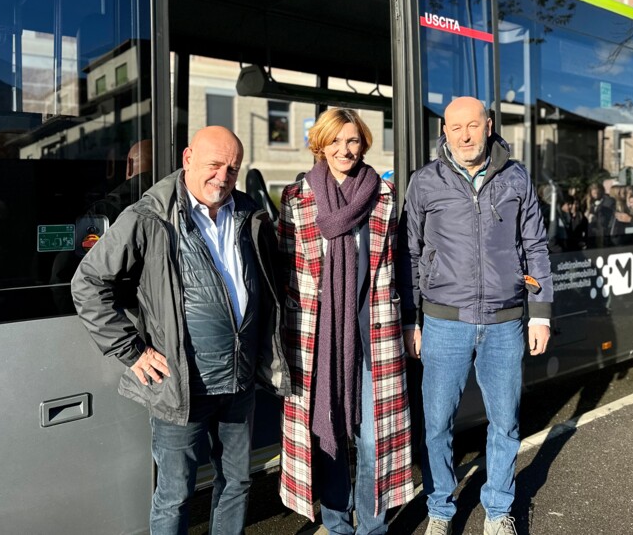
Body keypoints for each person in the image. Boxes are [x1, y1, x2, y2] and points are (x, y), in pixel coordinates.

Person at [71, 126, 289, 535]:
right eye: (214, 165)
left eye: (233, 168)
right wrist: (131, 351)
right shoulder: (148, 217)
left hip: (239, 382)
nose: (223, 177)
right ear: (187, 159)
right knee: (176, 493)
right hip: (181, 385)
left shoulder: (248, 214)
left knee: (238, 483)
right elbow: (87, 284)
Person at [400, 97, 553, 535]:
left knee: (505, 422)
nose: (465, 135)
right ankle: (441, 510)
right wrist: (412, 318)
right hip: (444, 321)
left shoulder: (516, 177)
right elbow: (408, 254)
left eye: (473, 125)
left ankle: (499, 508)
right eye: (455, 128)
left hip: (505, 322)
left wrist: (540, 314)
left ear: (489, 125)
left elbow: (536, 247)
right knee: (436, 424)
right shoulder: (425, 183)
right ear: (443, 132)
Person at [277, 109, 414, 533]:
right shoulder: (296, 198)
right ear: (320, 143)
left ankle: (373, 527)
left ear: (364, 144)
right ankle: (337, 524)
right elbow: (286, 271)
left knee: (375, 439)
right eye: (335, 141)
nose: (344, 150)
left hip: (374, 333)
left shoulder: (385, 196)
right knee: (328, 432)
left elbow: (397, 264)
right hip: (318, 338)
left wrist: (409, 320)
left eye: (352, 141)